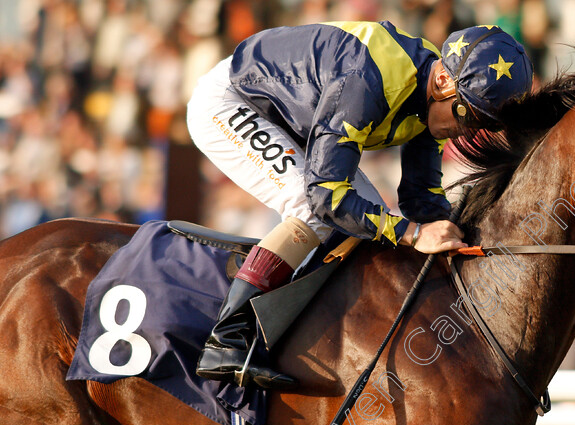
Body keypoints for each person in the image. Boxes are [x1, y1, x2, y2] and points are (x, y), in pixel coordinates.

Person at [186, 21, 533, 388]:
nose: (466, 131)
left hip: (296, 115)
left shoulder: (434, 95)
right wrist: (412, 233)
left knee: (364, 218)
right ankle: (226, 338)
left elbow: (422, 199)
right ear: (444, 81)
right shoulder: (367, 81)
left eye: (482, 124)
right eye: (469, 116)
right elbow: (326, 196)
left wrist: (463, 243)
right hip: (232, 100)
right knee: (312, 207)